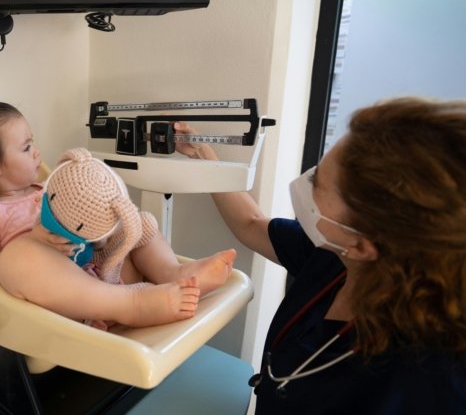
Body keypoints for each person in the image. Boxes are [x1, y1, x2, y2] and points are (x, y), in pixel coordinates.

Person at [174, 97, 466, 414]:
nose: (305, 181)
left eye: (317, 181)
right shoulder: (335, 256)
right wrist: (204, 152)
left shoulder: (422, 387)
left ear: (364, 244)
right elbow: (250, 224)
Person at [0, 101, 237, 328]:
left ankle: (174, 274)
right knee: (15, 259)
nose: (36, 152)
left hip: (101, 271)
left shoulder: (47, 186)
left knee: (136, 222)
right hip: (62, 299)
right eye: (26, 147)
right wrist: (34, 240)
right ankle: (134, 304)